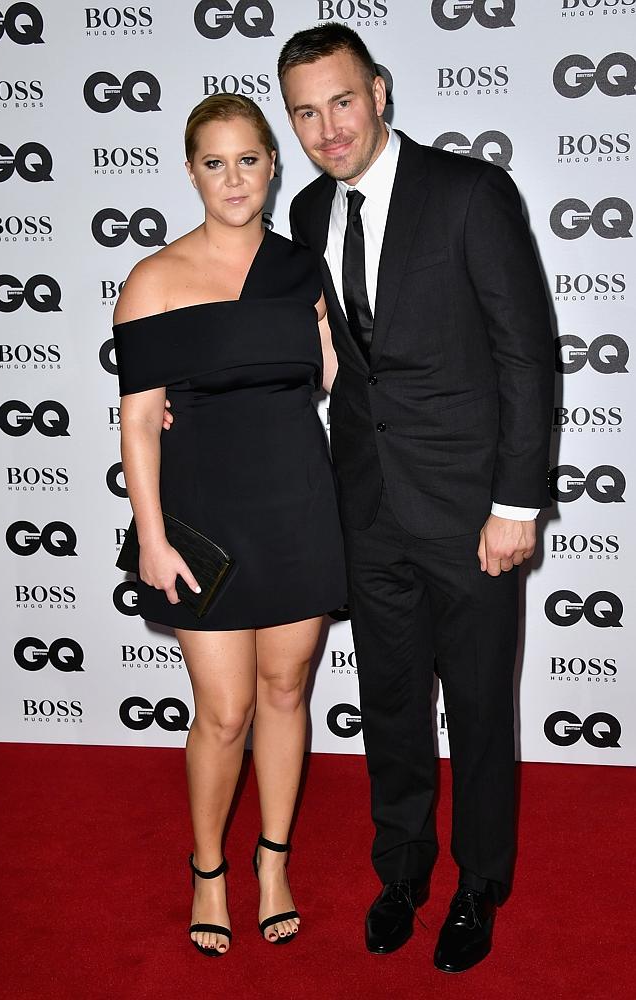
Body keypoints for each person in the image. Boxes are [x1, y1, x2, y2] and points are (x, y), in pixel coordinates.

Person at [278, 24, 554, 973]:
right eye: (305, 112)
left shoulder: (469, 193)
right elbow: (325, 361)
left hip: (472, 509)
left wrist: (516, 501)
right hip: (369, 508)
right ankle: (400, 871)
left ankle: (480, 885)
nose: (327, 127)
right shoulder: (310, 214)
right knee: (389, 700)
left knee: (478, 706)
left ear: (381, 93)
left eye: (341, 101)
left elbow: (525, 353)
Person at [112, 93, 346, 958]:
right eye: (215, 162)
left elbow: (323, 378)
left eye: (249, 159)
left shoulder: (303, 269)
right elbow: (138, 423)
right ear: (191, 172)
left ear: (273, 164)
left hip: (297, 501)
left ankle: (272, 862)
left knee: (288, 691)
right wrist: (155, 537)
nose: (234, 178)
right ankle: (208, 866)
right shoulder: (153, 279)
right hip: (204, 511)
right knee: (223, 708)